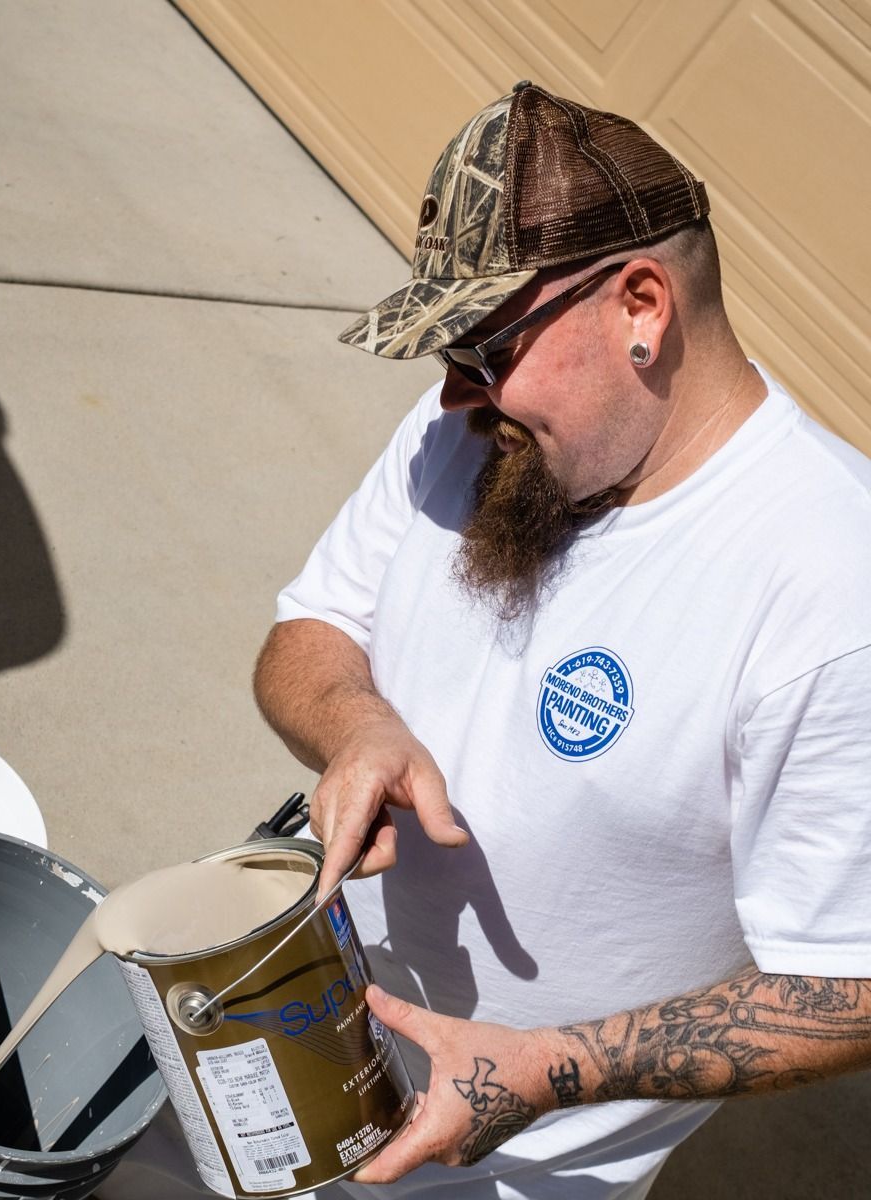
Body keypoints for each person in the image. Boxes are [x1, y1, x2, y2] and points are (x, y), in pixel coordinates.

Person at [250, 81, 871, 1198]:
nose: (451, 396)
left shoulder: (831, 593)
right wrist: (357, 725)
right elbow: (311, 626)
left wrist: (545, 1071)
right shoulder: (475, 436)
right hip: (303, 1030)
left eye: (484, 348)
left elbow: (851, 983)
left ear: (642, 305)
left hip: (517, 1163)